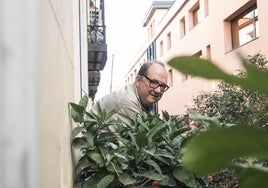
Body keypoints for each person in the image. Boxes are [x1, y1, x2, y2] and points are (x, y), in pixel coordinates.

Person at [90, 60, 169, 130]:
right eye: (153, 82)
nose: (158, 90)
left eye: (163, 86)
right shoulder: (127, 101)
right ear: (138, 80)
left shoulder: (144, 101)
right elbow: (143, 139)